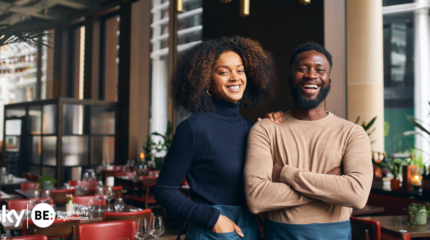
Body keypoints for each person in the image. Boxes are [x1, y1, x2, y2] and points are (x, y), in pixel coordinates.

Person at [244, 42, 373, 240]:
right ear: (290, 79)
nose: (311, 75)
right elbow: (256, 199)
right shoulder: (265, 129)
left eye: (320, 70)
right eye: (302, 69)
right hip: (280, 235)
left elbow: (357, 195)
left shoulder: (352, 133)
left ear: (329, 81)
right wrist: (331, 185)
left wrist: (287, 174)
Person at [154, 36, 278, 239]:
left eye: (240, 70)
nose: (235, 77)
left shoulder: (253, 128)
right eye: (223, 72)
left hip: (251, 231)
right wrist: (213, 219)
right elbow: (164, 190)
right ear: (206, 80)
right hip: (213, 231)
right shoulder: (193, 128)